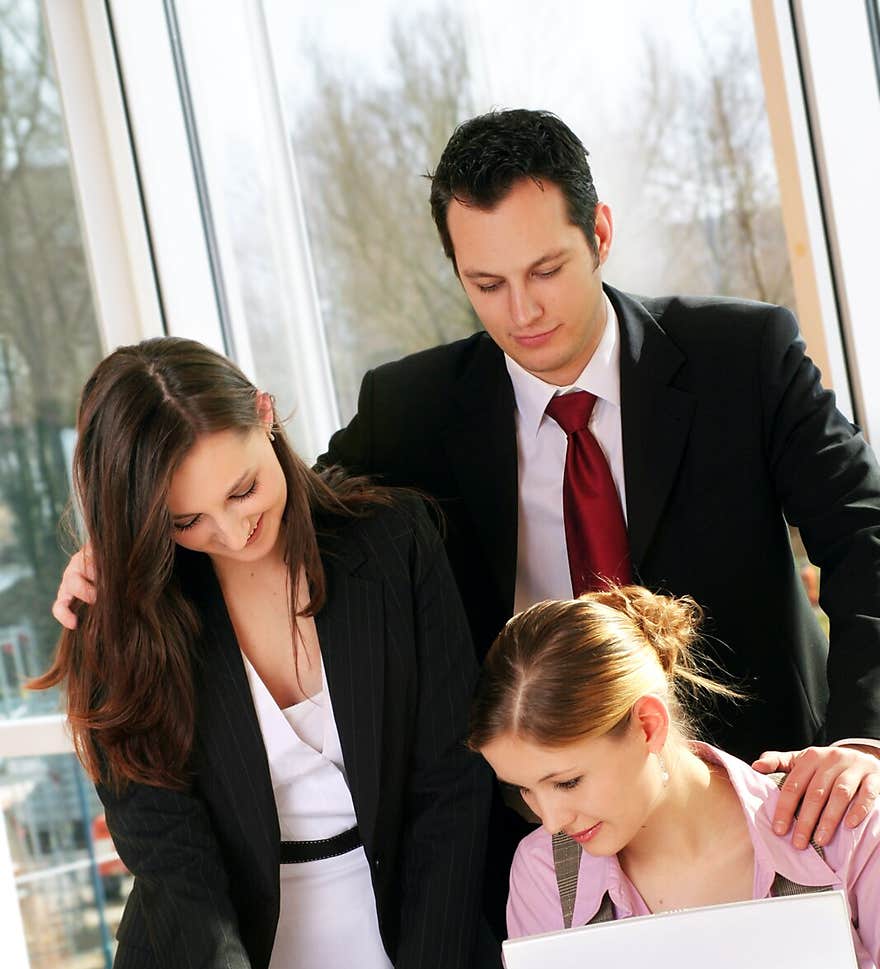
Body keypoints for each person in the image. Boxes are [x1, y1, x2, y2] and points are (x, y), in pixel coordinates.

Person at [52, 110, 880, 913]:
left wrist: (859, 740)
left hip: (769, 806)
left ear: (599, 232)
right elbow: (280, 511)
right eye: (486, 283)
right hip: (543, 846)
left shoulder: (744, 359)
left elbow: (866, 533)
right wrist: (118, 554)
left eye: (546, 270)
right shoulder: (410, 411)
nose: (522, 312)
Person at [32, 337, 498, 969]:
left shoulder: (395, 544)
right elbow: (177, 878)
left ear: (266, 411)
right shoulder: (119, 628)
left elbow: (454, 799)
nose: (234, 531)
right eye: (184, 523)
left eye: (243, 489)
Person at [332, 587, 880, 969]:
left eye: (567, 780)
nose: (553, 816)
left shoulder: (838, 822)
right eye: (525, 792)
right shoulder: (545, 872)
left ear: (648, 725)